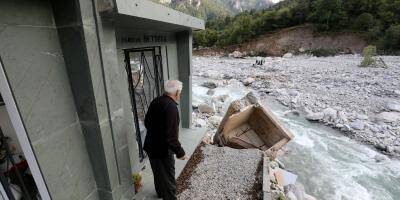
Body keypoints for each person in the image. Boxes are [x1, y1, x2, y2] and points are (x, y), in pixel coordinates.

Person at [143, 80, 188, 200]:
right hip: (162, 151)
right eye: (180, 92)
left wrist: (156, 133)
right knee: (168, 179)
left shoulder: (156, 101)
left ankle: (160, 194)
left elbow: (146, 122)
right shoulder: (171, 107)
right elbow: (171, 137)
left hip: (150, 146)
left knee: (158, 173)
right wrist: (180, 152)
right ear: (177, 92)